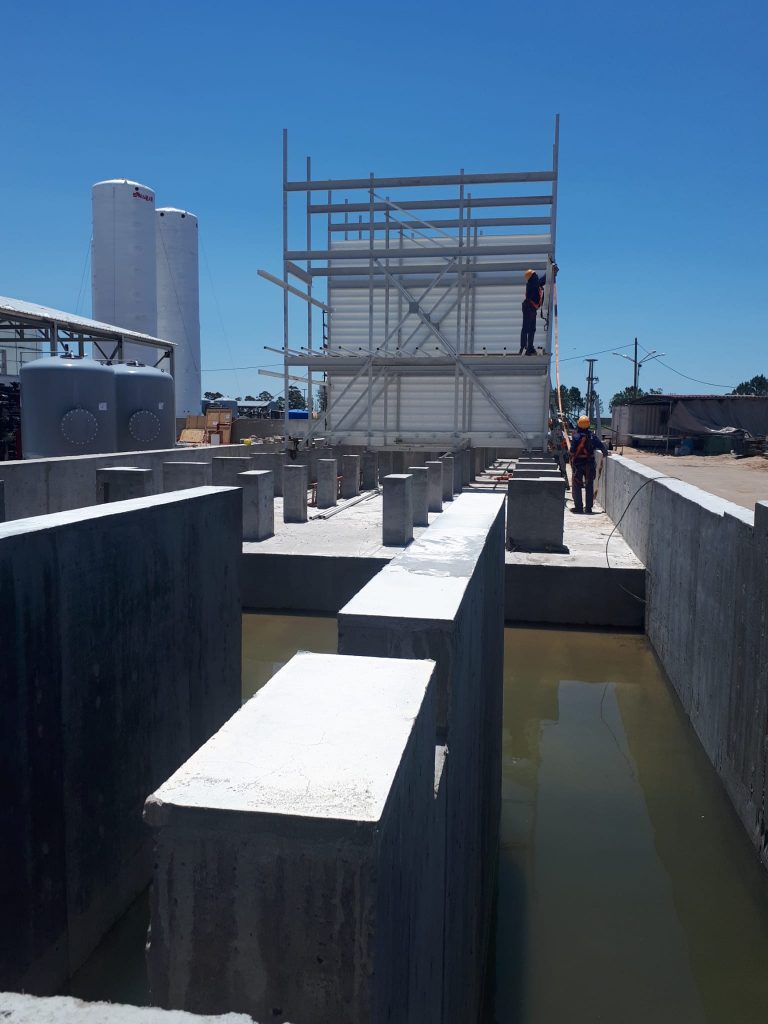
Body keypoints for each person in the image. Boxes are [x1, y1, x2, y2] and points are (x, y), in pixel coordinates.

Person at [569, 415, 608, 513]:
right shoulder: (592, 436)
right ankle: (588, 508)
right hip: (589, 464)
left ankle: (579, 508)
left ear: (578, 424)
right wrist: (605, 452)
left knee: (577, 485)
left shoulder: (576, 435)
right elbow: (601, 446)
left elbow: (572, 450)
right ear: (588, 425)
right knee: (589, 485)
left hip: (578, 464)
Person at [519, 262, 557, 355]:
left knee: (532, 329)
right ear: (531, 276)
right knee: (526, 328)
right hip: (528, 307)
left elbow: (542, 281)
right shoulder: (532, 283)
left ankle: (530, 348)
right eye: (534, 274)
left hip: (531, 308)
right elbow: (542, 280)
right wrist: (551, 271)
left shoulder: (534, 284)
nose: (536, 275)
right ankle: (523, 347)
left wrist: (551, 272)